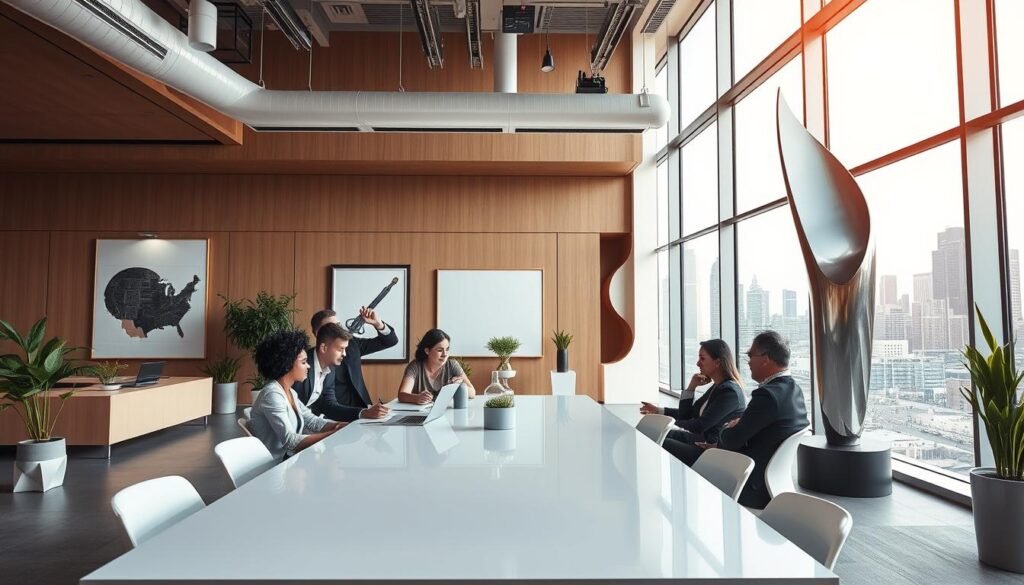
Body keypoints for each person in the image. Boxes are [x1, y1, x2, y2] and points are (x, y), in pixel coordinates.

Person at [704, 331, 810, 509]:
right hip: (772, 484)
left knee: (690, 465)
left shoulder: (768, 396)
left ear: (765, 359)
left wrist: (726, 427)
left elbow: (732, 440)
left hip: (751, 486)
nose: (748, 361)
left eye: (750, 355)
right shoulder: (793, 389)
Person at [642, 339, 746, 464]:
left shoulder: (730, 392)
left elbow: (699, 426)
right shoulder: (717, 387)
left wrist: (668, 423)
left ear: (717, 362)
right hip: (701, 441)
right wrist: (691, 387)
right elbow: (687, 415)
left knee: (657, 440)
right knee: (651, 432)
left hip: (712, 451)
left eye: (702, 359)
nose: (697, 363)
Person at [249, 329, 346, 460]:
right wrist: (333, 433)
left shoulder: (290, 392)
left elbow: (312, 421)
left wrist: (340, 425)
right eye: (303, 362)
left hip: (290, 461)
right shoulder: (272, 395)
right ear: (287, 364)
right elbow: (291, 441)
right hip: (276, 466)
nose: (309, 366)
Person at [306, 308, 396, 418]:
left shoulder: (353, 344)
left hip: (363, 408)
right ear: (318, 333)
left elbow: (390, 341)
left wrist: (378, 324)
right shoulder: (310, 363)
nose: (338, 329)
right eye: (332, 327)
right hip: (334, 414)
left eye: (339, 325)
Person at [397, 329, 475, 404]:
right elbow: (402, 395)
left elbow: (472, 392)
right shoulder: (415, 366)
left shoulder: (452, 365)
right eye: (440, 350)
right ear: (427, 351)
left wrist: (459, 387)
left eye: (447, 349)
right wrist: (416, 398)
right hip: (420, 414)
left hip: (446, 413)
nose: (445, 354)